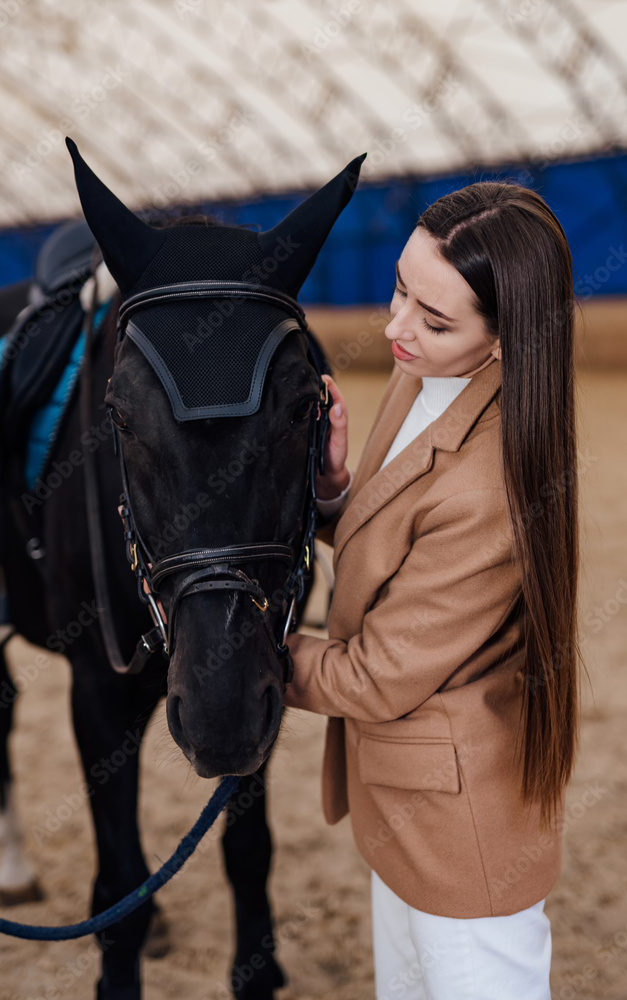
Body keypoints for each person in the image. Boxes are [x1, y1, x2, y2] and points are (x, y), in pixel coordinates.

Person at [283, 181, 583, 1000]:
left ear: (502, 339)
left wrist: (242, 653)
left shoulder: (493, 484)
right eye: (399, 289)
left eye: (434, 318)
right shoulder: (424, 378)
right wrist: (336, 492)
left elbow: (373, 675)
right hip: (404, 803)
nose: (394, 327)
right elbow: (395, 543)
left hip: (462, 837)